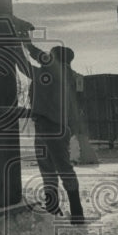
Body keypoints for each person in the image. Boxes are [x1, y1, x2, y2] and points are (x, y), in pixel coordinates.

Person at [15, 27, 85, 224]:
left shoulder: (56, 72)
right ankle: (55, 208)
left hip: (51, 127)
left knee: (60, 169)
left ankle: (75, 211)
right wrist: (21, 45)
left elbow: (30, 64)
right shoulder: (56, 75)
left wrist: (23, 44)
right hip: (48, 126)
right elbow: (29, 66)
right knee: (50, 169)